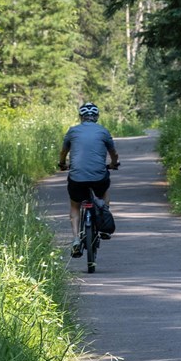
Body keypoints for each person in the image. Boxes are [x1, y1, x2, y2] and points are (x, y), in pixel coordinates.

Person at [58, 102, 120, 258]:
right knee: (104, 190)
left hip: (76, 177)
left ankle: (76, 239)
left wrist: (62, 164)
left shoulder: (72, 131)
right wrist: (113, 164)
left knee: (75, 205)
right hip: (99, 177)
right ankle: (104, 217)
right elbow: (114, 154)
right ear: (97, 117)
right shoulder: (103, 131)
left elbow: (63, 152)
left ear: (81, 117)